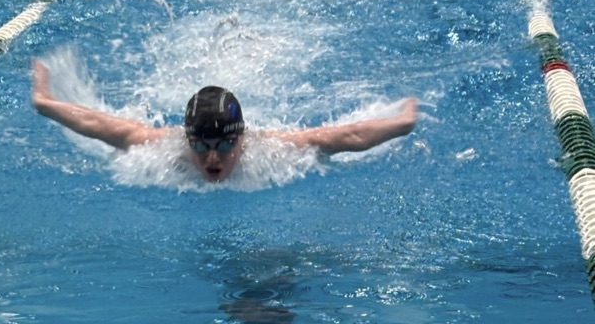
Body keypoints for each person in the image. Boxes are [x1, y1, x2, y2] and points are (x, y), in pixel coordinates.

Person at [31, 59, 418, 183]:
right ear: (187, 140)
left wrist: (403, 121)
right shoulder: (163, 148)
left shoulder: (274, 150)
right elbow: (99, 125)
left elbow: (345, 135)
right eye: (200, 146)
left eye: (224, 146)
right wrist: (46, 102)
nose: (211, 160)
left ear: (241, 139)